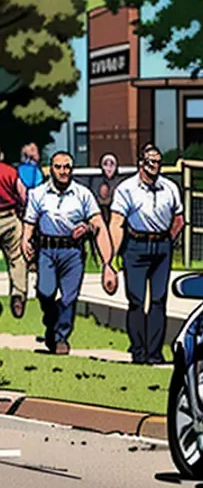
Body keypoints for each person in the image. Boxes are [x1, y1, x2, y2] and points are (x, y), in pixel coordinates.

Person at [21, 152, 116, 355]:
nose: (63, 171)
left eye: (67, 167)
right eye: (59, 167)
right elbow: (29, 223)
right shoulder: (38, 193)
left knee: (69, 298)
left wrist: (107, 263)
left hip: (73, 252)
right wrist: (25, 241)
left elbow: (98, 224)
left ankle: (61, 337)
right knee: (45, 292)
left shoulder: (83, 194)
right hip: (47, 249)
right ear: (51, 169)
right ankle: (51, 322)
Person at [108, 144, 184, 366]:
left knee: (159, 300)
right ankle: (139, 352)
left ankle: (155, 352)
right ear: (141, 163)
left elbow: (178, 218)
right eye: (151, 162)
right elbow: (116, 221)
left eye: (158, 162)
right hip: (135, 245)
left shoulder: (169, 187)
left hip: (162, 246)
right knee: (136, 300)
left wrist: (167, 238)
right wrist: (111, 257)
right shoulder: (126, 189)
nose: (155, 166)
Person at [0, 151, 28, 317]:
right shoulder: (10, 172)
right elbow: (22, 193)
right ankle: (18, 293)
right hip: (9, 218)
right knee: (17, 257)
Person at [91, 153, 122, 224]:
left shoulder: (120, 182)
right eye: (105, 164)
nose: (109, 168)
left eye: (112, 164)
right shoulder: (95, 181)